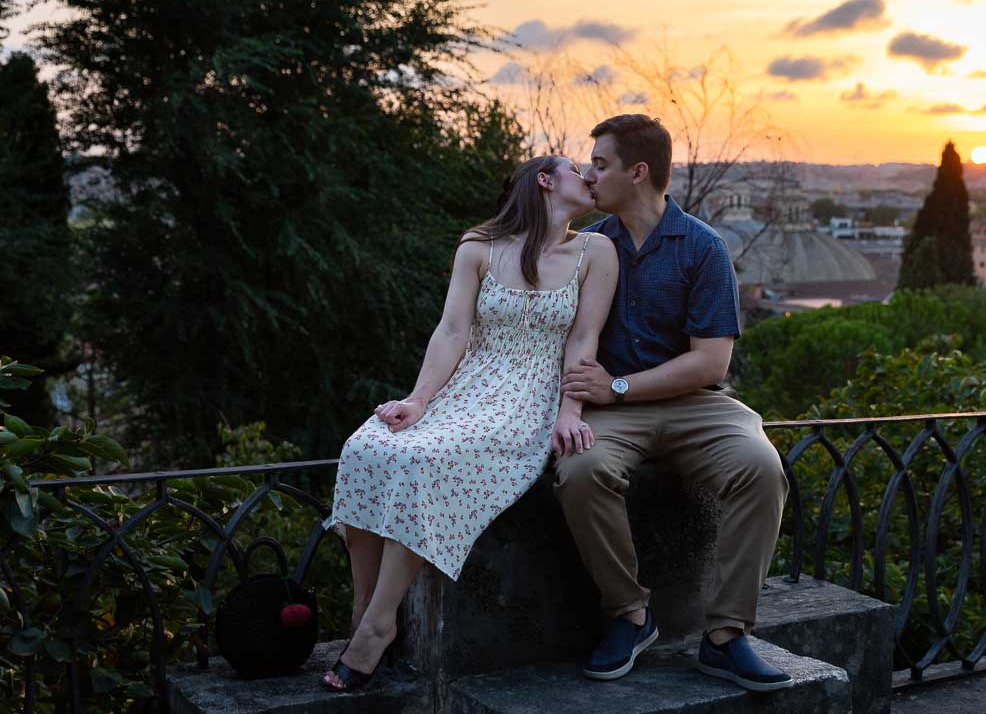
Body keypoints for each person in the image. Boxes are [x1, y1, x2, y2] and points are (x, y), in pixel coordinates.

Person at [321, 155, 618, 692]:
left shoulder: (596, 251)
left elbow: (582, 341)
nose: (591, 178)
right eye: (579, 168)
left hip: (527, 398)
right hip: (466, 387)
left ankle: (379, 626)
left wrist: (569, 411)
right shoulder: (478, 245)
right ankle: (363, 610)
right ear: (545, 181)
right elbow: (452, 332)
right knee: (366, 447)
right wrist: (417, 401)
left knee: (421, 459)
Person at [555, 114, 793, 692]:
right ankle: (630, 614)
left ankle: (726, 636)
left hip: (692, 403)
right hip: (614, 412)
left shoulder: (701, 247)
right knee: (581, 471)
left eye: (601, 164)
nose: (590, 175)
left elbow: (711, 363)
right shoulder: (588, 247)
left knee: (762, 469)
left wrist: (617, 387)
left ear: (638, 173)